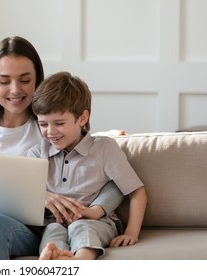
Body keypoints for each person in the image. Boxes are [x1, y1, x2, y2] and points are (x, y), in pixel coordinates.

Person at [0, 36, 124, 260]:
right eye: (4, 81)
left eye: (25, 80)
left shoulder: (50, 130)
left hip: (25, 228)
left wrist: (109, 137)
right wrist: (36, 193)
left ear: (37, 79)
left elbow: (90, 158)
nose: (15, 90)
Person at [26, 71, 148, 260]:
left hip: (98, 221)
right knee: (52, 231)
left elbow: (137, 192)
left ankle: (81, 262)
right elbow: (25, 195)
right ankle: (56, 259)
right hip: (55, 222)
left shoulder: (104, 148)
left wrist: (131, 233)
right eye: (43, 124)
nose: (50, 132)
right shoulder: (37, 153)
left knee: (81, 226)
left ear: (82, 118)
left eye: (59, 123)